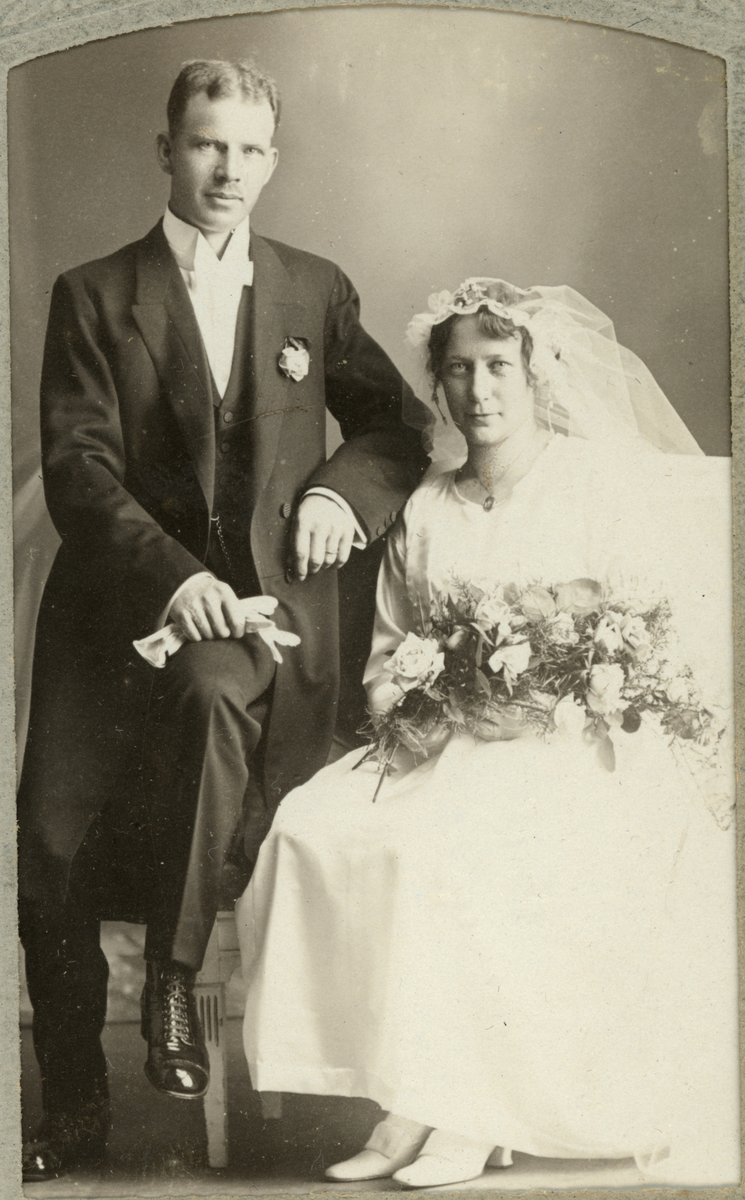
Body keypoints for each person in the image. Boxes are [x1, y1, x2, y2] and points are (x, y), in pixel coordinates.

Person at [17, 59, 428, 1181]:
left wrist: (338, 493)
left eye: (249, 150)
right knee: (48, 844)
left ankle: (171, 984)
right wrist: (170, 579)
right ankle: (76, 1111)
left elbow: (395, 428)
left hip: (266, 623)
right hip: (119, 616)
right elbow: (78, 468)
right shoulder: (94, 293)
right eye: (206, 144)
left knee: (211, 692)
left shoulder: (312, 287)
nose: (227, 170)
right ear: (167, 151)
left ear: (273, 162)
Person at [236, 278, 739, 1187]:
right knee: (314, 825)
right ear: (436, 383)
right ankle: (408, 1102)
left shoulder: (592, 482)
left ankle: (468, 1113)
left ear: (536, 372)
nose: (479, 390)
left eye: (499, 365)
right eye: (459, 370)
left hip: (573, 743)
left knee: (456, 849)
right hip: (446, 738)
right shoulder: (427, 507)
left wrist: (548, 690)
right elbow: (387, 653)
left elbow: (645, 635)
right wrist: (424, 700)